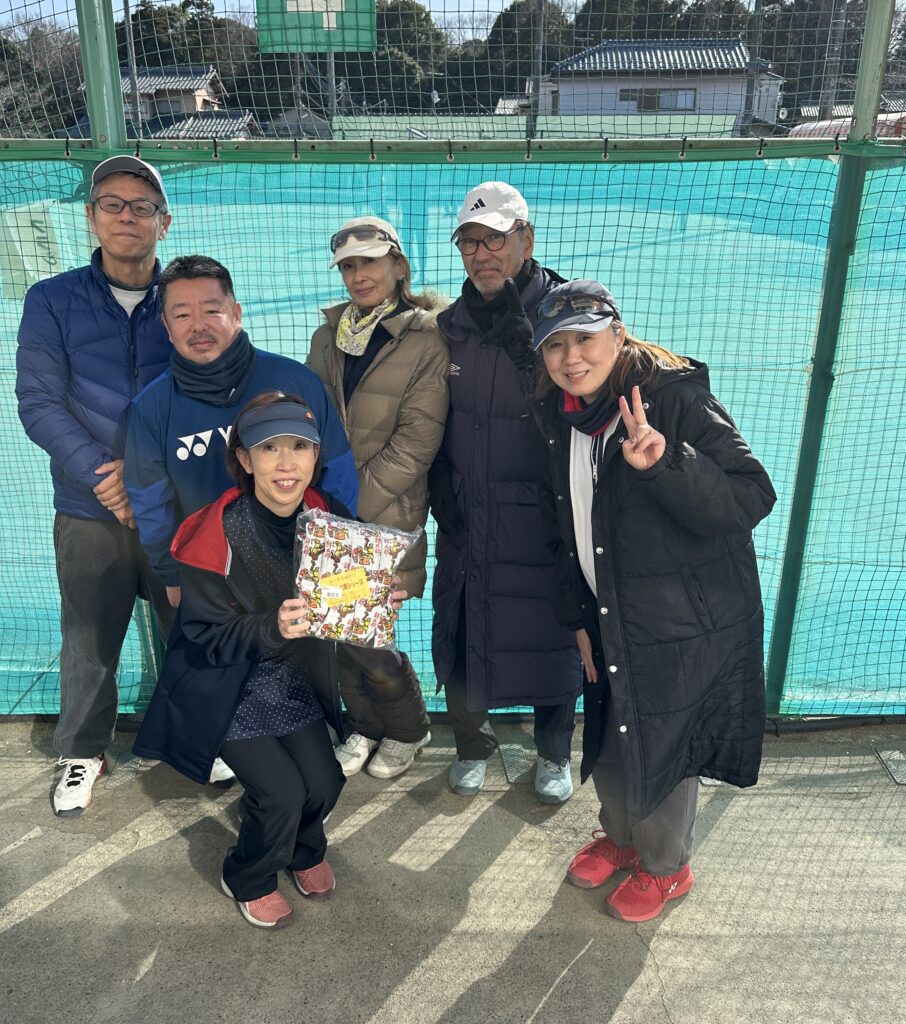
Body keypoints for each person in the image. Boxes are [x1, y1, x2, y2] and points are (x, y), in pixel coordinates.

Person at [530, 279, 776, 922]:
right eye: (555, 345)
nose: (571, 357)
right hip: (608, 612)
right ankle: (620, 837)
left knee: (665, 741)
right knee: (611, 731)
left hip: (681, 621)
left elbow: (752, 495)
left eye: (585, 338)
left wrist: (669, 463)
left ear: (617, 333)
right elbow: (565, 525)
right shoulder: (557, 414)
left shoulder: (675, 399)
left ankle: (667, 868)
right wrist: (578, 619)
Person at [132, 393, 407, 929]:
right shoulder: (215, 532)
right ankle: (247, 876)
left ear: (316, 454)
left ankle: (303, 850)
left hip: (292, 679)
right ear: (244, 458)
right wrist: (270, 627)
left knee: (324, 783)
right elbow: (204, 638)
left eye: (299, 446)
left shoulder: (328, 515)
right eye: (269, 448)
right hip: (226, 685)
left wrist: (375, 597)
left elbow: (345, 596)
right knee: (280, 793)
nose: (286, 462)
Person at [16, 155, 177, 817]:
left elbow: (219, 389)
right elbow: (39, 402)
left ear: (164, 223)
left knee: (195, 627)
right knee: (88, 636)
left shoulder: (189, 296)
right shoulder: (51, 300)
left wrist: (155, 479)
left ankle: (203, 737)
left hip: (175, 507)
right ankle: (82, 751)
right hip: (89, 507)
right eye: (112, 203)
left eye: (142, 206)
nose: (126, 216)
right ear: (91, 216)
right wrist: (103, 476)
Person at [429, 181, 581, 803]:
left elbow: (584, 407)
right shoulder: (448, 327)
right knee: (462, 628)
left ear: (527, 239)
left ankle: (554, 752)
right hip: (468, 513)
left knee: (552, 635)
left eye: (494, 239)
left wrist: (531, 356)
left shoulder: (567, 317)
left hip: (545, 519)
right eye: (469, 242)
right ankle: (471, 745)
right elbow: (433, 417)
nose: (481, 254)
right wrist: (440, 486)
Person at [124, 255, 358, 611]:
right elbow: (149, 500)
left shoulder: (293, 381)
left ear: (236, 313)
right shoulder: (151, 408)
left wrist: (333, 555)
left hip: (298, 573)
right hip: (207, 580)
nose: (198, 326)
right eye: (182, 315)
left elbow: (337, 472)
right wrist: (172, 574)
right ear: (167, 328)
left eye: (212, 311)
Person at [307, 216, 447, 779]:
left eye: (369, 261)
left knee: (365, 633)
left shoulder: (428, 338)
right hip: (330, 512)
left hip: (383, 514)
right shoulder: (327, 336)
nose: (358, 274)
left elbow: (417, 442)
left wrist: (348, 504)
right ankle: (364, 726)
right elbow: (312, 418)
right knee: (339, 628)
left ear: (398, 266)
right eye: (348, 265)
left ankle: (409, 729)